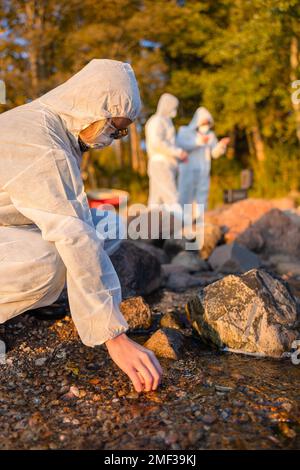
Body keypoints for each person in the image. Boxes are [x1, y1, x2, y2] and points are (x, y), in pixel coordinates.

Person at [0, 59, 162, 393]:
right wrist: (114, 335)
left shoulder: (52, 126)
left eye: (121, 133)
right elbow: (72, 234)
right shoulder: (42, 145)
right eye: (113, 128)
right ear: (92, 105)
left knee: (107, 223)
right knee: (49, 260)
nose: (114, 138)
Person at [177, 107, 230, 220]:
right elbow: (181, 145)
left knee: (202, 194)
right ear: (198, 120)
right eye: (204, 122)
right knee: (187, 194)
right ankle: (183, 220)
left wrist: (221, 145)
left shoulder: (210, 135)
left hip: (203, 170)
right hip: (188, 170)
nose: (206, 125)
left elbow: (214, 153)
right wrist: (199, 142)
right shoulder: (185, 131)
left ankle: (200, 220)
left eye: (208, 123)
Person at [145, 93, 188, 214]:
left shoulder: (167, 122)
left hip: (167, 163)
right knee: (171, 196)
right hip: (161, 163)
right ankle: (180, 223)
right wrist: (178, 152)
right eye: (173, 106)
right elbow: (156, 142)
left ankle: (151, 228)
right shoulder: (157, 121)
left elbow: (169, 143)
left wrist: (178, 155)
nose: (174, 110)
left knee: (156, 200)